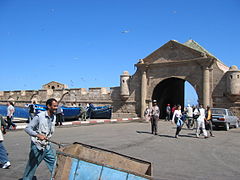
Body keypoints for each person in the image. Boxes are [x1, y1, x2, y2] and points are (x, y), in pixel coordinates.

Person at [22, 98, 58, 180]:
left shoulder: (54, 117)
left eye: (57, 106)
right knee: (31, 168)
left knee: (55, 165)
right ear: (48, 106)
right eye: (54, 106)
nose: (56, 108)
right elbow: (27, 128)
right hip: (37, 146)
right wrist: (38, 135)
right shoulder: (39, 116)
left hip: (47, 146)